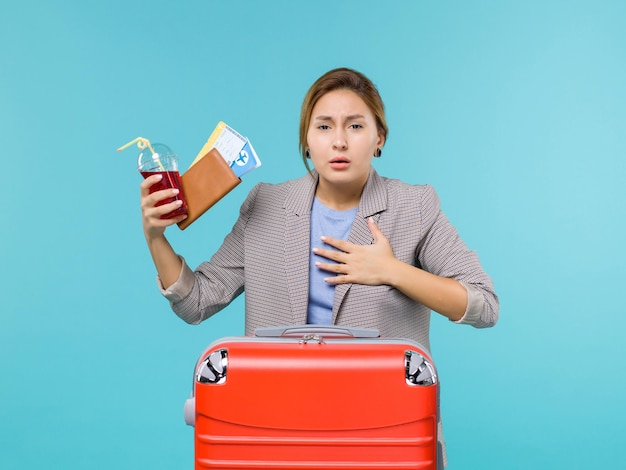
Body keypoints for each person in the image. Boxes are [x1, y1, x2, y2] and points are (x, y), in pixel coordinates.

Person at [140, 67, 499, 466]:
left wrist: (392, 271)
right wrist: (156, 238)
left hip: (381, 434)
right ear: (307, 141)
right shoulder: (267, 205)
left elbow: (484, 305)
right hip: (276, 434)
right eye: (324, 127)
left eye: (356, 126)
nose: (339, 141)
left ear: (379, 137)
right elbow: (197, 302)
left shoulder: (414, 206)